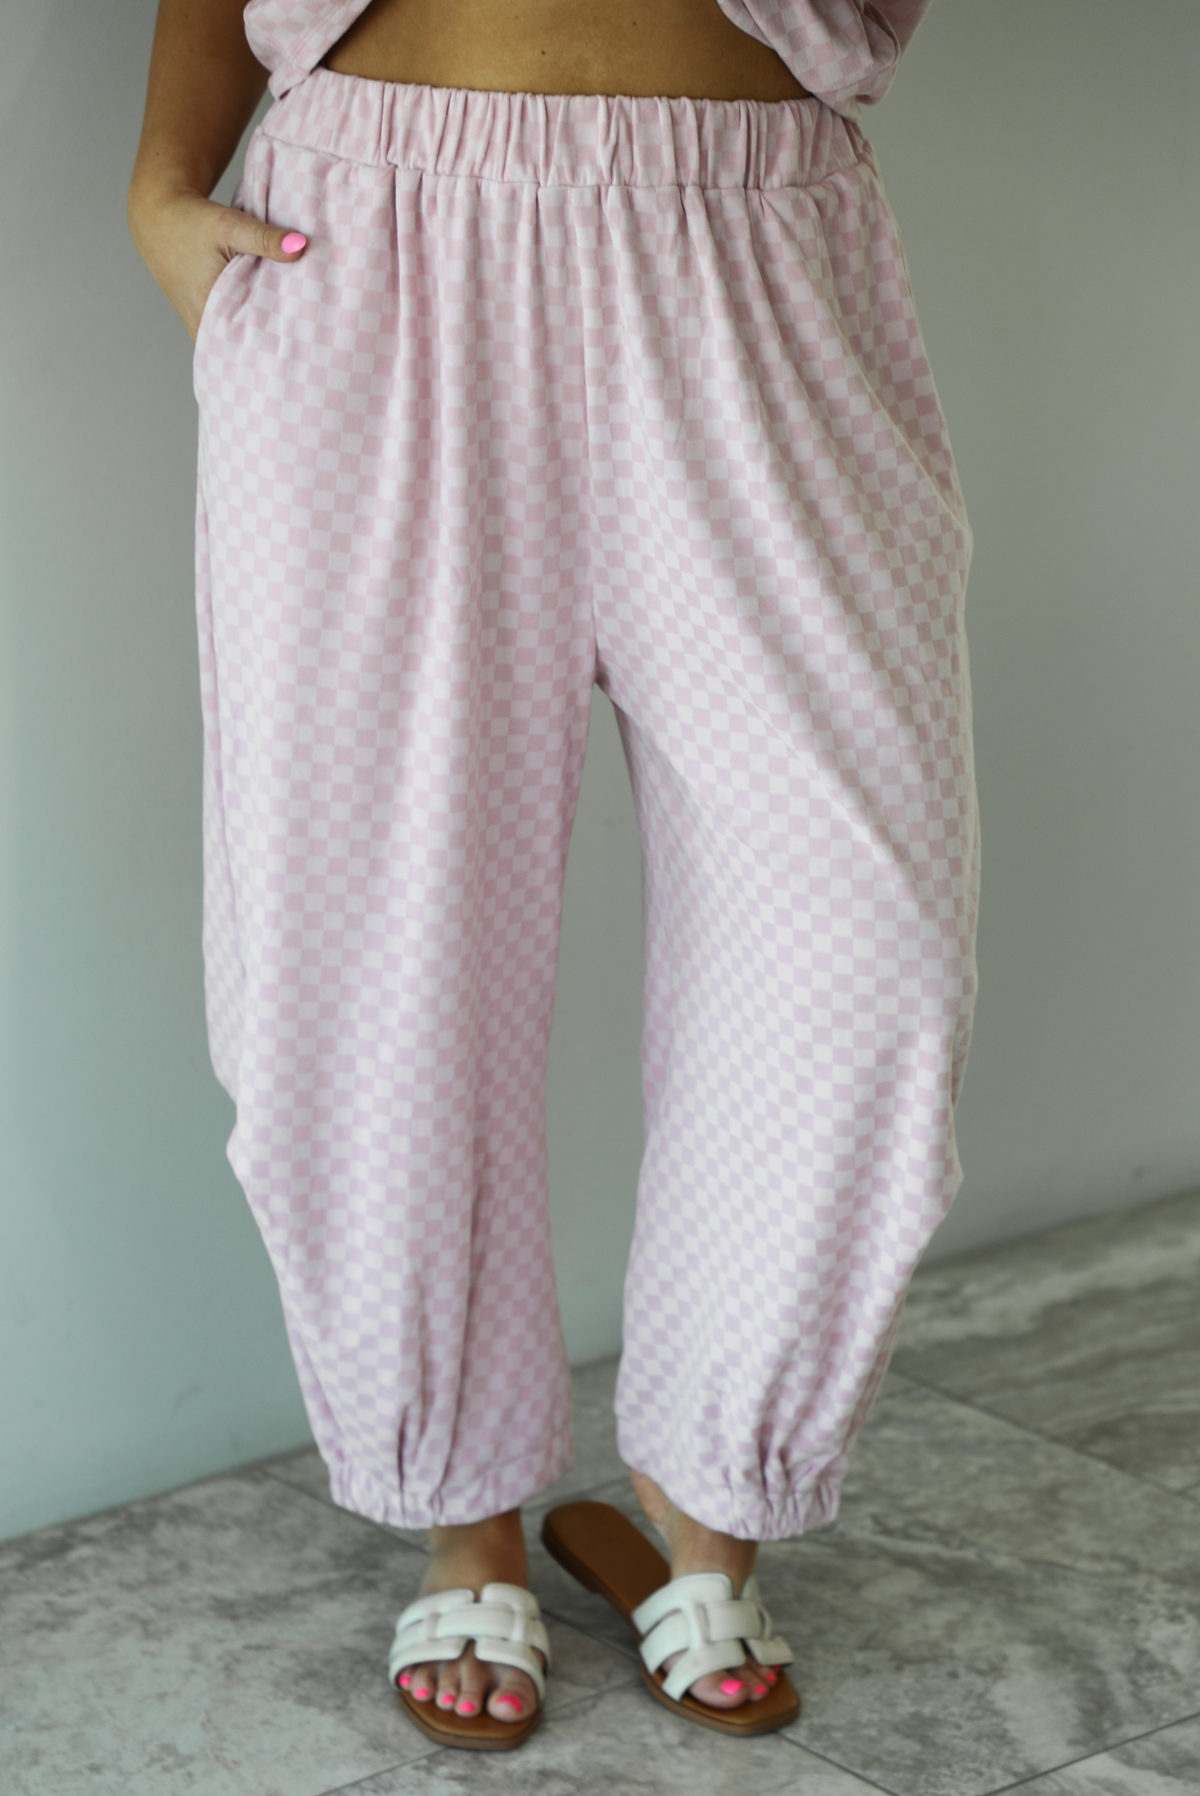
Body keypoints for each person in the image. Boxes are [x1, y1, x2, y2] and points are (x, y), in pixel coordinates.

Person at [128, 0, 978, 1751]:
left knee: (858, 949)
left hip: (753, 246)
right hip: (377, 243)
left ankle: (707, 1492)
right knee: (368, 948)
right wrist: (159, 179)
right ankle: (465, 1507)